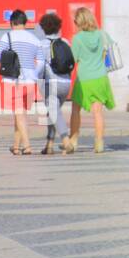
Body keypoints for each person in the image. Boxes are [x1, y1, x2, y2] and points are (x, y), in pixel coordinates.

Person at [0, 9, 45, 156]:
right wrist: (33, 73)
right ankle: (16, 147)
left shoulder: (7, 36)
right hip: (30, 82)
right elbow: (41, 61)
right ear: (25, 22)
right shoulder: (34, 39)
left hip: (14, 81)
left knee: (19, 114)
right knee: (20, 113)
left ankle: (27, 146)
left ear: (12, 22)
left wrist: (10, 64)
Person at [69, 7, 117, 154]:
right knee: (98, 112)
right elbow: (110, 49)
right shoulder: (102, 34)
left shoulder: (77, 39)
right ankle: (99, 143)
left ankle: (74, 140)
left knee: (76, 110)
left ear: (79, 21)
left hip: (84, 79)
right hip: (100, 78)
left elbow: (73, 59)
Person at [37, 12, 75, 156]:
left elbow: (40, 67)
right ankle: (49, 144)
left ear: (43, 28)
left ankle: (66, 141)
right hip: (65, 83)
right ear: (58, 27)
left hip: (50, 83)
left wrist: (34, 77)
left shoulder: (42, 45)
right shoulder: (65, 42)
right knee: (52, 112)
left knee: (54, 112)